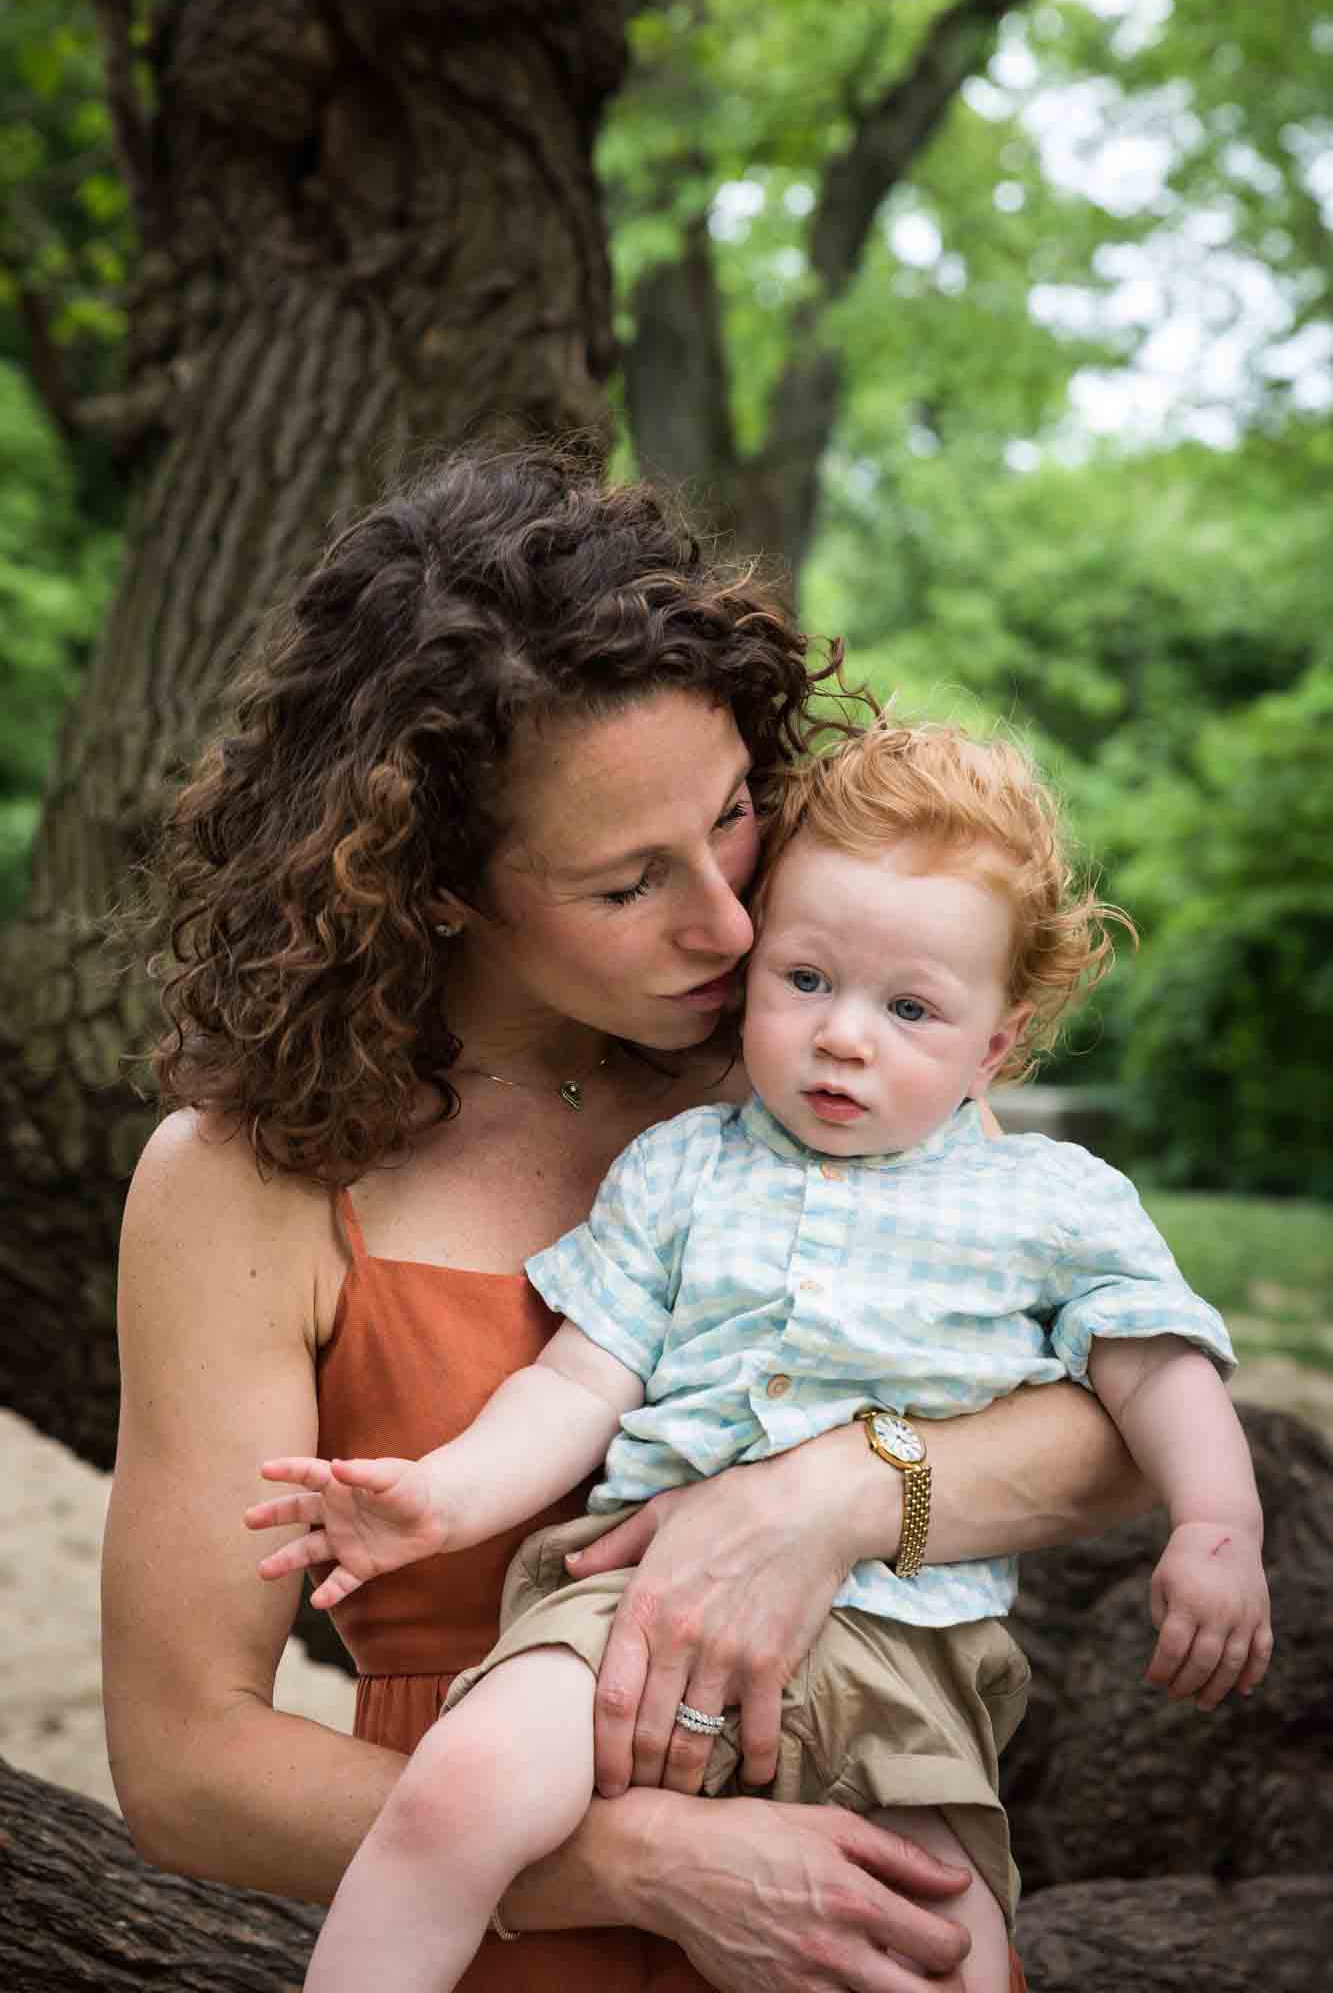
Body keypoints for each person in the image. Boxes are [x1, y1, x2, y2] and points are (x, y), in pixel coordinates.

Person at [106, 444, 1154, 1993]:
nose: (730, 923)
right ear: (439, 886)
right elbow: (187, 1761)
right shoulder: (250, 1177)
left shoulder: (836, 1061)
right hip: (493, 1924)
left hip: (861, 1885)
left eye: (734, 816)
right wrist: (631, 1869)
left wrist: (838, 1498)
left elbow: (1111, 1430)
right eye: (625, 885)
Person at [248, 715, 1271, 1993]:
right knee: (454, 1794)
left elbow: (1156, 1364)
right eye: (805, 979)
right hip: (627, 1612)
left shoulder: (1048, 1201)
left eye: (909, 1007)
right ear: (755, 963)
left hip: (907, 1654)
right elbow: (579, 1375)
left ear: (993, 1046)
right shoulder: (680, 1168)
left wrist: (1217, 1522)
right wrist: (441, 1494)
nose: (845, 1035)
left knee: (936, 1949)